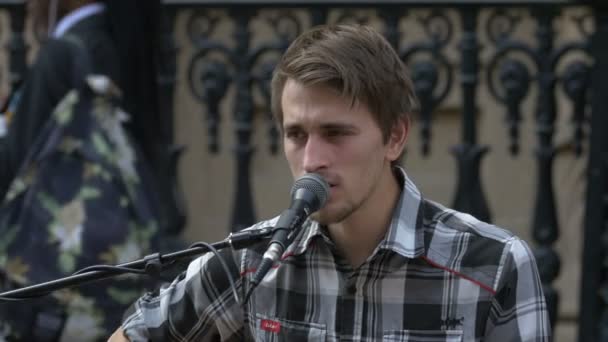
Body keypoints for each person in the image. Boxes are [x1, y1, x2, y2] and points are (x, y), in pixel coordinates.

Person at [110, 24, 550, 341]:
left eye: (336, 134)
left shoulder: (493, 265)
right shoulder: (251, 261)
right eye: (296, 135)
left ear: (395, 136)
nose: (312, 159)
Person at [0, 0, 167, 340]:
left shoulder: (66, 52)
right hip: (106, 269)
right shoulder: (117, 41)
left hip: (53, 277)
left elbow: (16, 168)